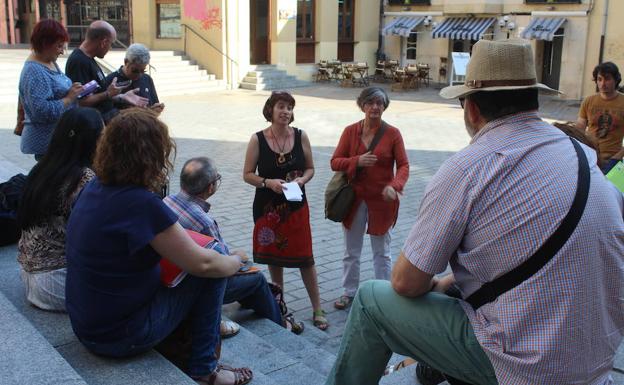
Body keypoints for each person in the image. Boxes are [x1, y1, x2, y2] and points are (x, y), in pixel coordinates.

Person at [325, 39, 624, 385]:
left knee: (369, 300)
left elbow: (406, 283)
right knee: (451, 290)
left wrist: (436, 286)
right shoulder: (582, 156)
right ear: (535, 99)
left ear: (470, 109)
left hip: (525, 367)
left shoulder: (467, 169)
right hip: (595, 362)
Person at [65, 109, 252, 385]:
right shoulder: (140, 203)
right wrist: (236, 261)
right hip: (119, 336)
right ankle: (205, 368)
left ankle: (196, 338)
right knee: (215, 265)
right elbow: (205, 264)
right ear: (153, 155)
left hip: (88, 326)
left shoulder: (94, 187)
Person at [164, 156, 304, 336]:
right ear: (210, 187)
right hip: (198, 281)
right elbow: (223, 265)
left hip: (175, 272)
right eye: (217, 180)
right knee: (257, 278)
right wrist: (238, 258)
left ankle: (267, 308)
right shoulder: (204, 222)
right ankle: (280, 323)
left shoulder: (166, 202)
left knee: (249, 276)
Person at [242, 91, 327, 330]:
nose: (285, 111)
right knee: (273, 257)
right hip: (267, 208)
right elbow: (247, 174)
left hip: (296, 206)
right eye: (281, 106)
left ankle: (317, 308)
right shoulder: (257, 139)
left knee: (305, 258)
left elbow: (310, 168)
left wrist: (302, 180)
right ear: (270, 109)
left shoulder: (301, 136)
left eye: (289, 107)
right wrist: (268, 182)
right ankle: (280, 304)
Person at [330, 87, 409, 310]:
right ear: (362, 105)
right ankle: (349, 292)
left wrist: (396, 185)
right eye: (371, 102)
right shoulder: (349, 131)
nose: (375, 107)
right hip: (353, 200)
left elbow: (403, 165)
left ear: (385, 107)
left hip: (382, 202)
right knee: (351, 251)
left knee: (382, 252)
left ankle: (383, 294)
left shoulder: (393, 133)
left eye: (380, 103)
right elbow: (335, 162)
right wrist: (356, 161)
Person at [16, 107, 103, 311]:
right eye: (103, 136)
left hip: (30, 276)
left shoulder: (43, 168)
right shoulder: (84, 178)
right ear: (91, 141)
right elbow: (94, 238)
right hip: (58, 283)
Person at [18, 19, 83, 158]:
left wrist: (71, 90)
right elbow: (42, 111)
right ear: (45, 44)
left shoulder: (49, 61)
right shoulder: (34, 71)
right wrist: (69, 98)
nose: (61, 51)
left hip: (60, 139)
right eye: (59, 46)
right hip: (48, 144)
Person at [65, 20, 148, 123]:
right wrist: (108, 94)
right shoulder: (79, 61)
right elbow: (81, 101)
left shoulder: (88, 59)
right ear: (104, 42)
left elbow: (96, 94)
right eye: (111, 43)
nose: (110, 48)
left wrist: (122, 97)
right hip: (96, 125)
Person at [576, 62, 624, 171]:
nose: (602, 83)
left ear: (616, 80)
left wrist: (619, 156)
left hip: (613, 160)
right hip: (590, 157)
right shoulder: (588, 101)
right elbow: (579, 129)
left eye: (607, 79)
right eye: (599, 79)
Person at [103, 43, 165, 114]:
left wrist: (154, 110)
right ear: (126, 62)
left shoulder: (147, 79)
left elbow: (153, 105)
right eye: (135, 71)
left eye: (143, 71)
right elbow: (105, 114)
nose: (139, 75)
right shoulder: (110, 81)